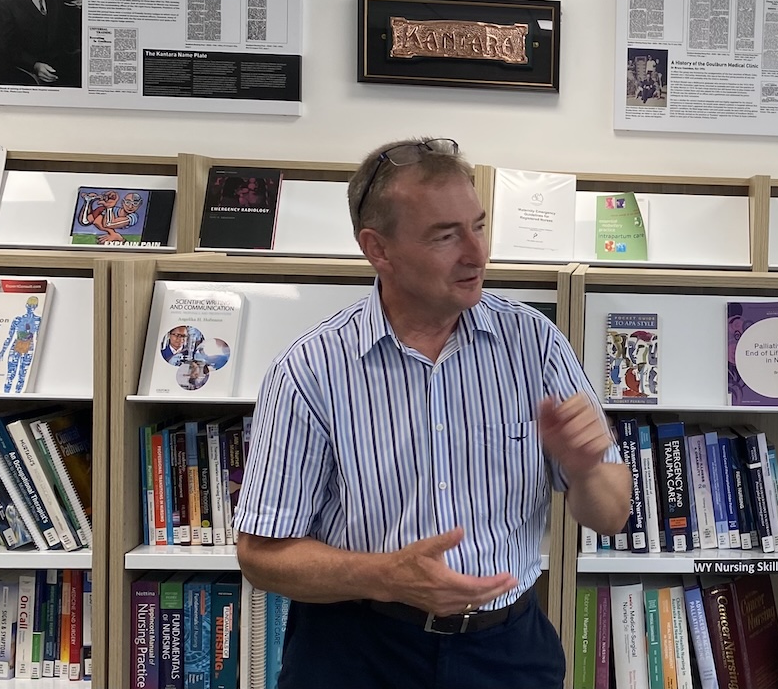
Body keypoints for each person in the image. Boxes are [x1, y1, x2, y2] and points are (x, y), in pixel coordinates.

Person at [233, 137, 631, 689]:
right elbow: (260, 555)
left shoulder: (536, 345)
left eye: (479, 226)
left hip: (507, 651)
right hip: (357, 651)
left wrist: (587, 467)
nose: (477, 253)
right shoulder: (310, 370)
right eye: (446, 236)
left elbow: (609, 516)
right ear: (378, 249)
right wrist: (386, 577)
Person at [0, 0, 80, 86]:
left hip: (60, 69)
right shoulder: (6, 4)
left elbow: (67, 34)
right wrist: (34, 65)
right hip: (26, 74)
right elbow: (7, 46)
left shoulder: (55, 1)